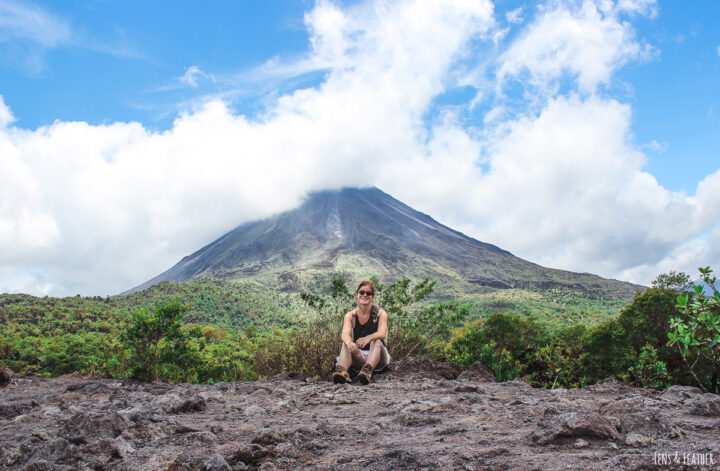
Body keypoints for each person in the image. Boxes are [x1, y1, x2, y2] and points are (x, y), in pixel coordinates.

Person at [332, 280, 390, 384]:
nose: (365, 295)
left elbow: (382, 333)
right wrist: (349, 343)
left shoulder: (381, 314)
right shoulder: (351, 315)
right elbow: (344, 335)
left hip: (379, 356)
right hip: (361, 357)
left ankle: (367, 371)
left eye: (368, 293)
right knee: (346, 343)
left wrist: (368, 338)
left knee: (376, 341)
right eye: (362, 292)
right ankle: (342, 372)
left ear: (372, 296)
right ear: (357, 295)